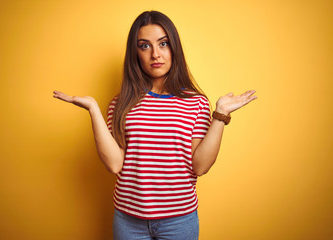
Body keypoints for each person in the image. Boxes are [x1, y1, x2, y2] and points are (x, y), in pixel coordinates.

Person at [53, 10, 257, 240]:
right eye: (145, 46)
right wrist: (93, 109)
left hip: (179, 220)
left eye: (163, 43)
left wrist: (220, 115)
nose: (155, 54)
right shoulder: (121, 103)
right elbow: (114, 164)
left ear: (174, 48)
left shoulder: (196, 103)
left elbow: (199, 167)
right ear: (135, 53)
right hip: (128, 220)